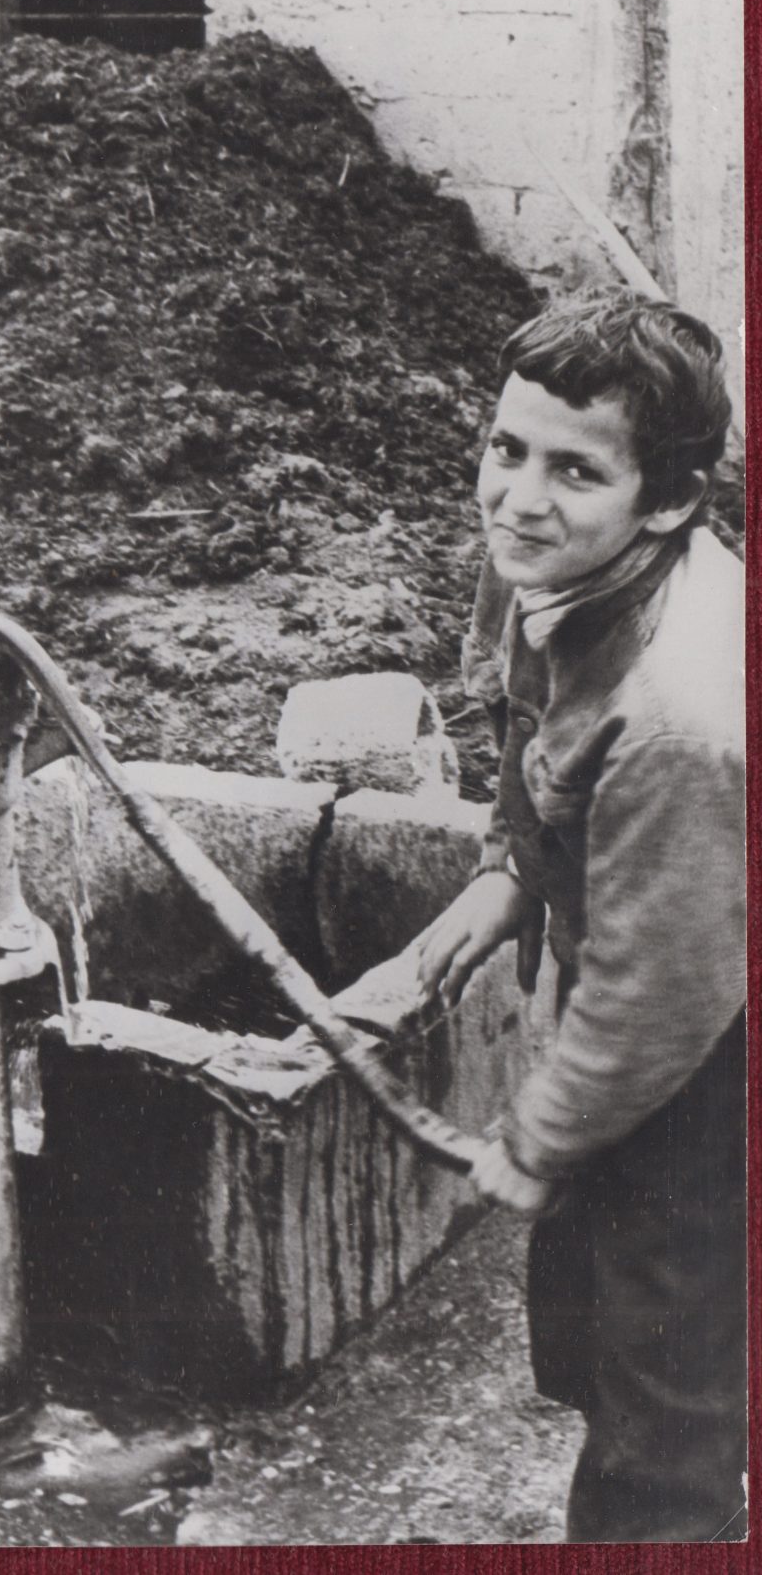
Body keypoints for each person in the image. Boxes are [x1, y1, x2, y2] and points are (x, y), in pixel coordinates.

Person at [416, 288, 746, 1543]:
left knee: (664, 1416)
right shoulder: (545, 556)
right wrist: (510, 866)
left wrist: (539, 1132)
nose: (515, 494)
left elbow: (664, 993)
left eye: (573, 469)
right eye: (506, 447)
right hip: (667, 961)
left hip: (714, 1040)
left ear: (667, 500)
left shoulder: (680, 718)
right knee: (602, 1316)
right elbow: (523, 716)